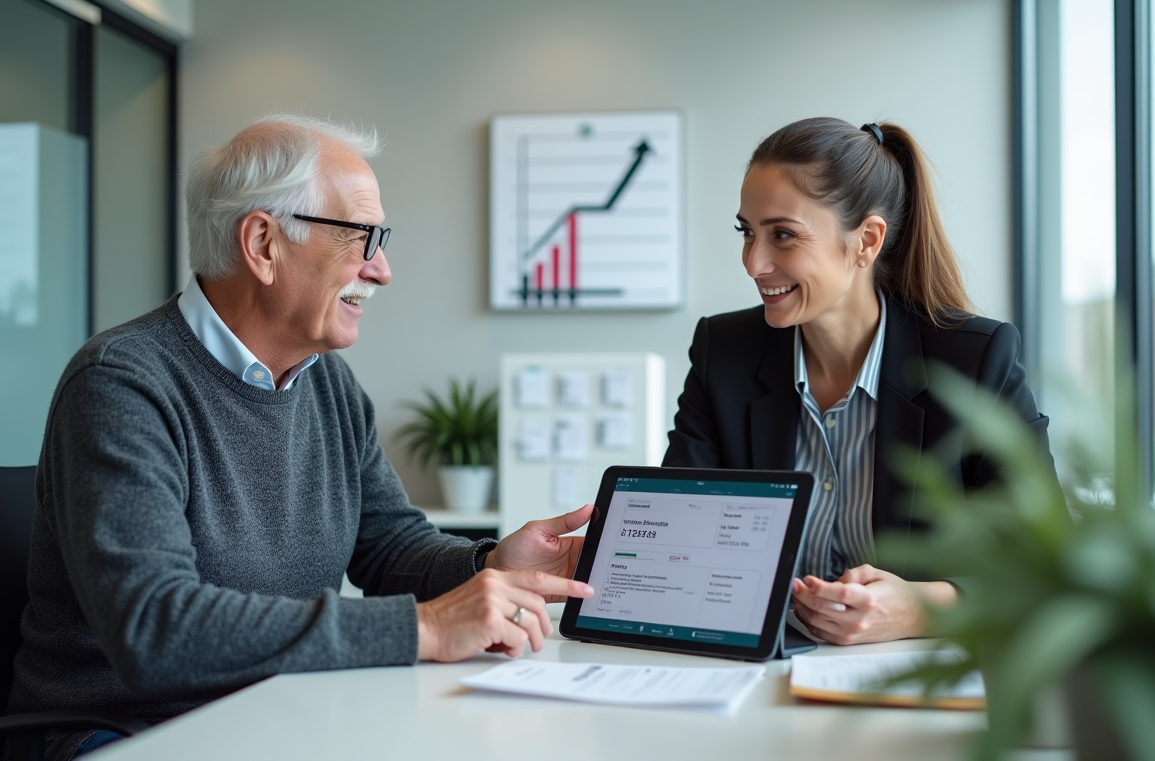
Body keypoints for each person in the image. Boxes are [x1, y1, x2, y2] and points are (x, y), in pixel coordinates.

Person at [5, 114, 594, 761]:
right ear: (263, 243)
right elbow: (156, 627)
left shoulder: (328, 386)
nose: (382, 270)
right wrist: (425, 626)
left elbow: (391, 548)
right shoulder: (121, 383)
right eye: (363, 238)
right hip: (126, 734)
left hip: (277, 714)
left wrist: (489, 565)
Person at [662, 117, 1054, 646]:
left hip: (912, 679)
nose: (753, 262)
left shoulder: (974, 360)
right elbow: (683, 536)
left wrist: (925, 608)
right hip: (758, 672)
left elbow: (1048, 565)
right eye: (747, 232)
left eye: (782, 235)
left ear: (866, 241)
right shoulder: (723, 351)